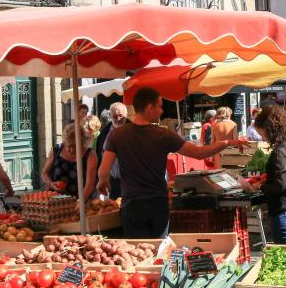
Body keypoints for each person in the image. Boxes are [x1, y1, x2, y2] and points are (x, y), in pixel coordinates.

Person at [97, 87, 247, 238]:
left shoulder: (117, 135)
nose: (162, 111)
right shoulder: (163, 135)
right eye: (160, 106)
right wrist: (227, 142)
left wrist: (102, 182)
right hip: (157, 204)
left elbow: (104, 171)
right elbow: (200, 153)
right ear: (150, 108)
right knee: (160, 251)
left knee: (140, 252)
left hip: (132, 205)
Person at [253, 105, 286, 244]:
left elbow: (278, 187)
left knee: (285, 256)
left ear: (270, 129)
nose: (263, 139)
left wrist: (260, 187)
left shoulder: (280, 153)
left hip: (284, 211)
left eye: (262, 134)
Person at [41, 123, 98, 198]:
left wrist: (80, 202)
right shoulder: (56, 150)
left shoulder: (90, 155)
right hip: (55, 202)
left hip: (82, 200)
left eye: (75, 146)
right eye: (68, 146)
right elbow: (44, 173)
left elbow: (89, 185)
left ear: (82, 143)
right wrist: (51, 184)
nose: (71, 150)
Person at [95, 103, 128, 200]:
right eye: (114, 116)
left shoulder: (135, 130)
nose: (118, 119)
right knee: (114, 207)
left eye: (120, 115)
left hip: (131, 179)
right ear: (110, 116)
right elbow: (99, 154)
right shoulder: (104, 133)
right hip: (113, 180)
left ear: (126, 114)